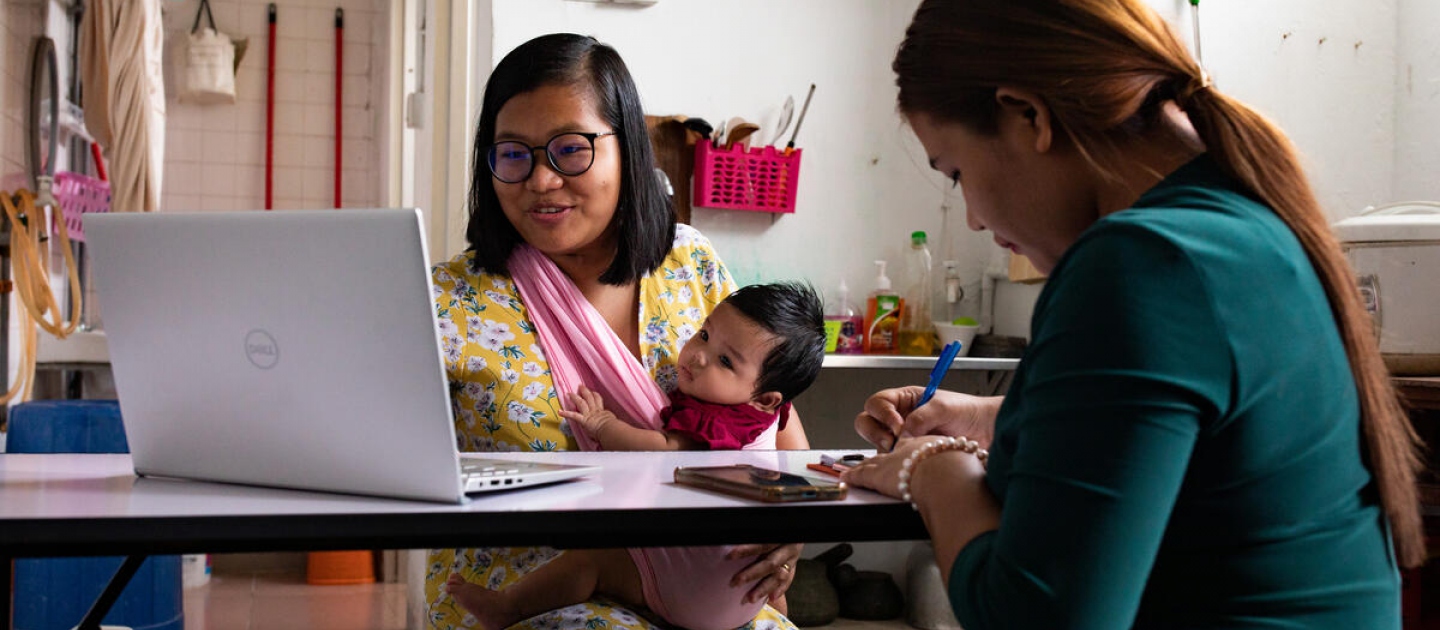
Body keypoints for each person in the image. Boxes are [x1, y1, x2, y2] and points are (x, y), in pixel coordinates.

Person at [840, 1, 1424, 628]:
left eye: (955, 172)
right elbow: (1202, 436)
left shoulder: (1139, 263)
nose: (976, 219)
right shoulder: (1251, 228)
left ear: (1027, 116)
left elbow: (1036, 618)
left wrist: (932, 470)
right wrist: (990, 416)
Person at [425, 33, 808, 630]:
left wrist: (794, 531)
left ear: (626, 148)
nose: (541, 180)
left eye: (569, 150)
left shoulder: (690, 263)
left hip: (708, 583)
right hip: (532, 591)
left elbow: (778, 433)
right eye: (512, 154)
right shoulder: (450, 300)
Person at [444, 282, 827, 630]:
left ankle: (508, 607)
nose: (697, 356)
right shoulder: (770, 414)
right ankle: (776, 613)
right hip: (746, 593)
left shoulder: (714, 421)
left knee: (594, 561)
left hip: (693, 590)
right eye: (704, 334)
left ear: (765, 398)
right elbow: (795, 470)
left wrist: (603, 424)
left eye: (725, 361)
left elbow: (663, 450)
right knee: (771, 590)